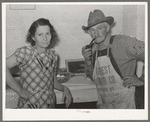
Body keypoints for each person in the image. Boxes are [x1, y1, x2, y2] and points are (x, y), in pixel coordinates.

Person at [82, 9, 144, 109]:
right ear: (89, 32)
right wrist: (88, 61)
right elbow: (95, 78)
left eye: (99, 28)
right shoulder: (93, 49)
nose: (96, 34)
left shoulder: (123, 42)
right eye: (92, 30)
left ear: (107, 28)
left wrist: (143, 80)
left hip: (128, 105)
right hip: (106, 107)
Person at [6, 18, 73, 109]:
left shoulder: (53, 55)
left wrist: (65, 88)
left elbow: (52, 81)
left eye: (47, 34)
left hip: (49, 105)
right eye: (40, 34)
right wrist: (20, 90)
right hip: (29, 107)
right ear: (33, 37)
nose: (45, 38)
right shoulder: (25, 52)